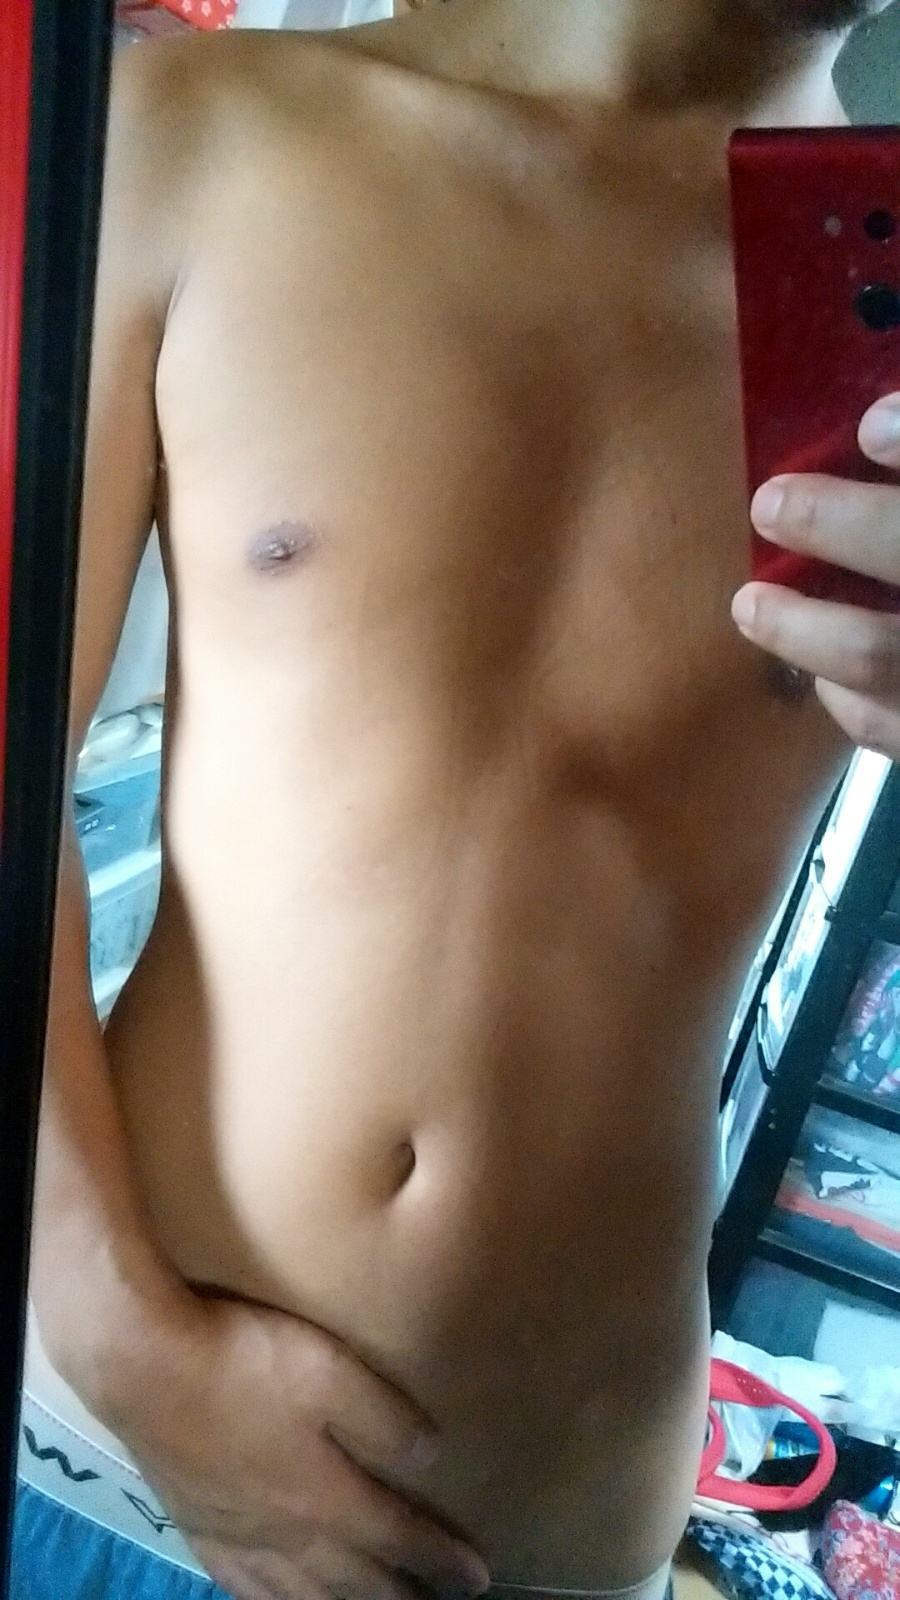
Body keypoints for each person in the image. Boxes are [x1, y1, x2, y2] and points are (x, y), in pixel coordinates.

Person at [24, 3, 900, 1599]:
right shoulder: (201, 132)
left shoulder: (881, 295)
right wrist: (120, 1342)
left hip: (554, 1525)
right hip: (110, 1451)